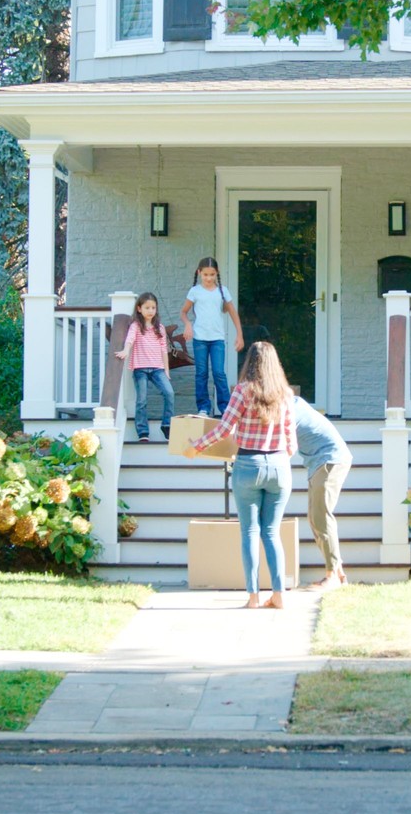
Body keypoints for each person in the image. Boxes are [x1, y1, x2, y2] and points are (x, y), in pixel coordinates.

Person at [186, 341, 295, 609]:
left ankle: (254, 597)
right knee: (272, 532)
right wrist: (279, 459)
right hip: (280, 465)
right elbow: (292, 441)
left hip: (248, 464)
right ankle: (279, 594)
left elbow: (224, 429)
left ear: (250, 362)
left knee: (249, 531)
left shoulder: (242, 391)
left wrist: (195, 447)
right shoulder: (286, 395)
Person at [290, 395, 351, 590]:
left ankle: (332, 574)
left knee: (321, 517)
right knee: (316, 518)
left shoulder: (291, 410)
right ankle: (338, 573)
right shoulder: (294, 404)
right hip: (323, 462)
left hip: (329, 460)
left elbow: (285, 445)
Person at [180, 256, 243, 417]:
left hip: (217, 339)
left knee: (219, 373)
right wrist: (188, 325)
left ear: (217, 274)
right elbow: (184, 312)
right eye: (206, 274)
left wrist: (239, 334)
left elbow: (232, 312)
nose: (209, 278)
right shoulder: (195, 291)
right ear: (199, 273)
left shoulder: (222, 291)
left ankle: (225, 408)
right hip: (200, 338)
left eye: (212, 274)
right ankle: (203, 407)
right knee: (201, 373)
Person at [114, 292, 172, 443]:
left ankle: (167, 425)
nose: (150, 311)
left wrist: (166, 369)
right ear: (139, 309)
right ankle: (143, 432)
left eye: (153, 307)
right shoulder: (136, 326)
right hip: (140, 369)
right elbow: (130, 339)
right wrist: (126, 351)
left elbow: (164, 349)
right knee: (142, 400)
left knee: (169, 393)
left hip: (158, 368)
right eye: (147, 307)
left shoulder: (159, 327)